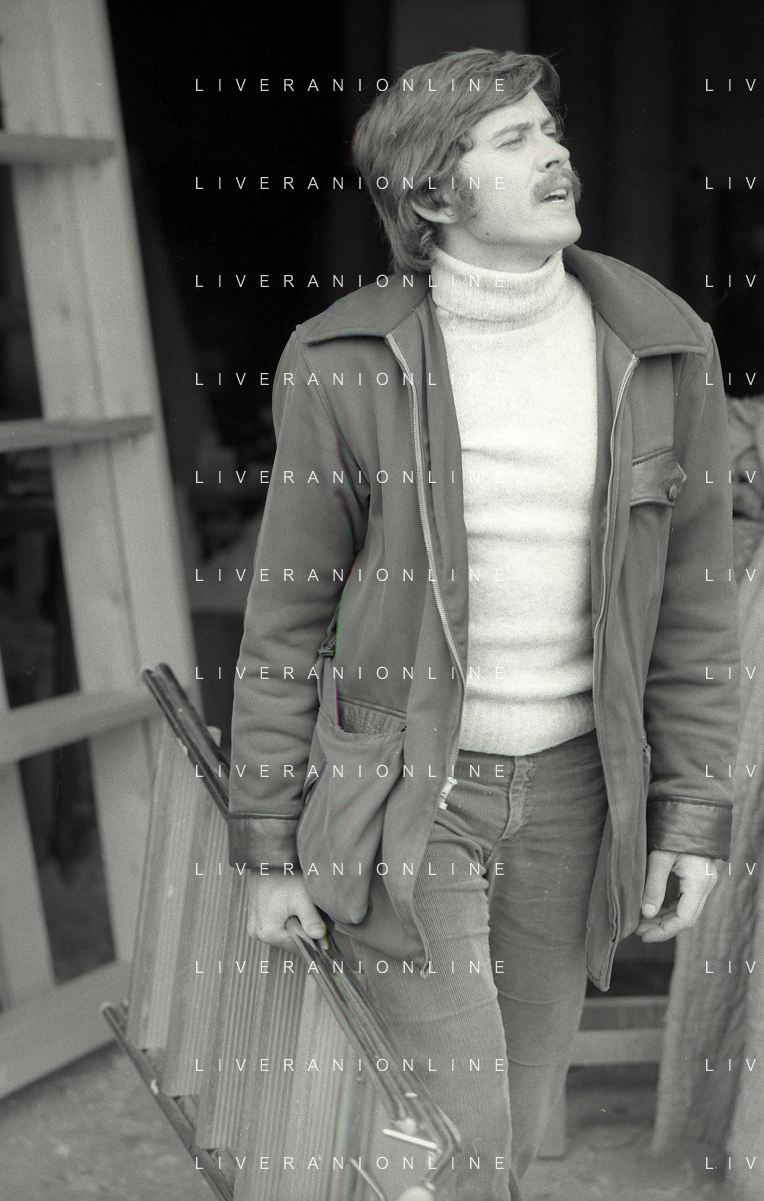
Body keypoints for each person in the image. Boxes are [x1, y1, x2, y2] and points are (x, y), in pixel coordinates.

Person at [228, 48, 740, 1200]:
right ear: (429, 194)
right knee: (460, 1138)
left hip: (577, 795)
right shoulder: (340, 360)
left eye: (548, 130)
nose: (555, 153)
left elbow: (695, 603)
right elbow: (285, 616)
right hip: (408, 794)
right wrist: (266, 846)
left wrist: (689, 814)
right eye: (512, 139)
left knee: (510, 1120)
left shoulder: (663, 345)